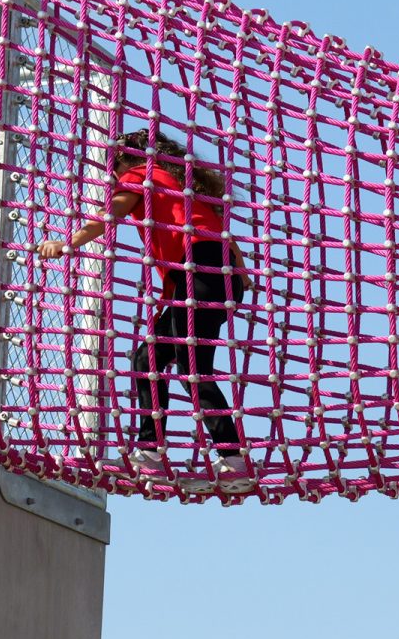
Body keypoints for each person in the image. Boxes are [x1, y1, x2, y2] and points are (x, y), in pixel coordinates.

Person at [35, 129, 254, 491]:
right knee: (152, 359)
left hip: (199, 272)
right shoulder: (179, 185)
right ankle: (155, 453)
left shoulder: (139, 175)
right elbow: (222, 241)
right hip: (215, 277)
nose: (114, 178)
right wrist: (240, 274)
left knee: (185, 367)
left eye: (114, 168)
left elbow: (112, 213)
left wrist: (68, 242)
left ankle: (225, 460)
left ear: (124, 160)